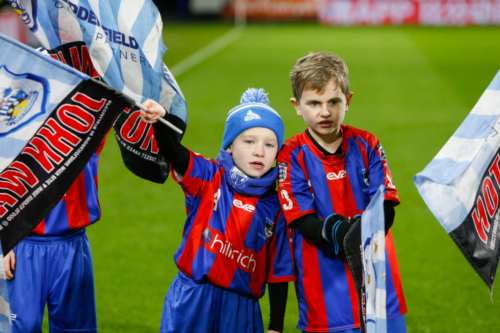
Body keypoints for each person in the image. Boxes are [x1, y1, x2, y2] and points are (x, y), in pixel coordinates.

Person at [140, 88, 295, 333]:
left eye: (269, 144)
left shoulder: (277, 206)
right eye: (249, 141)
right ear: (230, 146)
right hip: (192, 297)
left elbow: (279, 272)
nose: (259, 151)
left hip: (241, 309)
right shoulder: (209, 176)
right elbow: (175, 154)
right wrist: (160, 120)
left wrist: (275, 326)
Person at [277, 52, 407, 333]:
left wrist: (362, 230)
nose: (324, 112)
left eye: (333, 102)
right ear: (297, 106)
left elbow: (386, 204)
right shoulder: (291, 156)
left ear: (347, 101)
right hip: (325, 295)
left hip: (381, 289)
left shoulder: (367, 144)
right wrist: (342, 233)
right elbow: (302, 220)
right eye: (314, 103)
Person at [3, 138, 106, 333]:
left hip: (72, 247)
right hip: (19, 246)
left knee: (74, 329)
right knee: (19, 328)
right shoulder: (18, 123)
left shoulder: (84, 119)